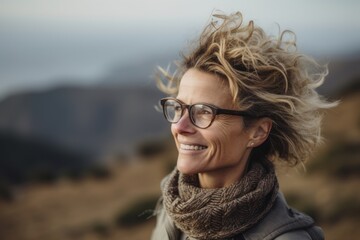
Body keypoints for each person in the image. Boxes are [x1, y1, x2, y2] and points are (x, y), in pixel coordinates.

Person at [151, 11, 335, 240]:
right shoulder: (171, 205)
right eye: (178, 108)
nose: (180, 127)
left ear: (257, 132)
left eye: (204, 112)